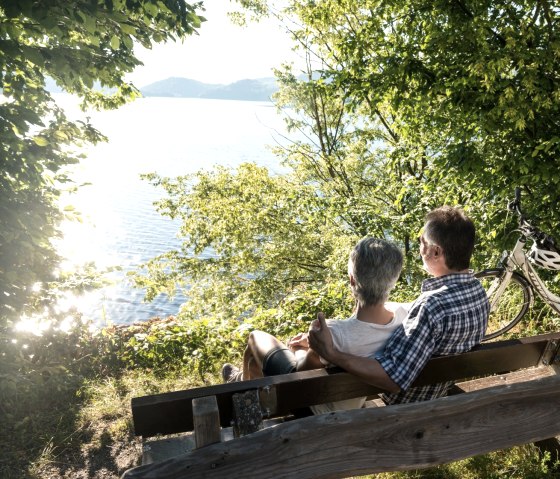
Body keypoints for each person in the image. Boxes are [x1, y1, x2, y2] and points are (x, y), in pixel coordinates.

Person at [309, 206, 490, 405]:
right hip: (438, 395)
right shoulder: (478, 293)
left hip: (404, 409)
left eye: (422, 242)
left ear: (436, 252)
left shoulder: (431, 307)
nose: (419, 246)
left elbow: (393, 378)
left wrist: (331, 353)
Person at [221, 237, 408, 414]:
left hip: (315, 409)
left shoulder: (334, 333)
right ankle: (241, 382)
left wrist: (302, 348)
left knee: (255, 337)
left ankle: (241, 390)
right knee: (254, 359)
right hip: (354, 401)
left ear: (352, 279)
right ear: (393, 280)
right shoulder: (403, 316)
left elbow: (300, 373)